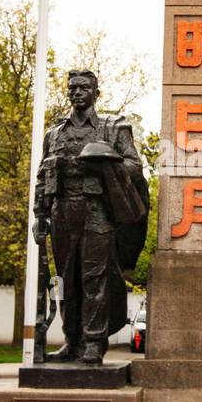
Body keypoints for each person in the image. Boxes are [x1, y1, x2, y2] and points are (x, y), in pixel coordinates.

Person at [33, 70, 148, 365]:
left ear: (96, 93)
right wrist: (39, 214)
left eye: (84, 88)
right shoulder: (55, 133)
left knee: (94, 280)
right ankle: (72, 341)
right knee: (64, 281)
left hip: (96, 212)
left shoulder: (113, 127)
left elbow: (135, 166)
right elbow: (42, 178)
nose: (77, 92)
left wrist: (106, 162)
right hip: (62, 213)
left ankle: (94, 343)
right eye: (72, 88)